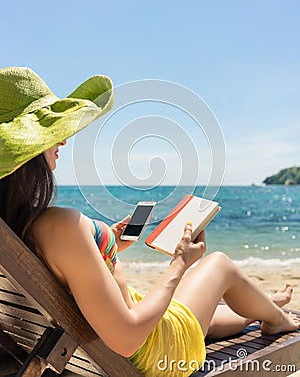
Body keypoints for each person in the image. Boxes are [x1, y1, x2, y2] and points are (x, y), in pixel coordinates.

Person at [0, 67, 299, 377]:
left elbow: (66, 271)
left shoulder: (16, 224)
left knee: (197, 315)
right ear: (26, 150)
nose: (62, 141)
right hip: (148, 349)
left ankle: (262, 307)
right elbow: (127, 339)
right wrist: (179, 264)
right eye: (51, 133)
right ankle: (277, 318)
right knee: (220, 265)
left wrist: (107, 243)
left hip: (115, 321)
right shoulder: (60, 225)